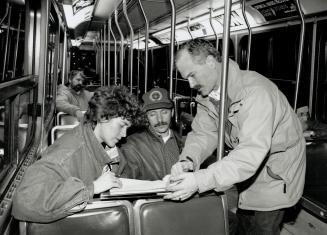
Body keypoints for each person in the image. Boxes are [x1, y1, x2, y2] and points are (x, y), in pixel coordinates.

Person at [164, 39, 306, 235]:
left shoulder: (256, 93)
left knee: (261, 228)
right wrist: (189, 160)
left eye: (192, 75)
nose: (190, 84)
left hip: (276, 173)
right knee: (244, 224)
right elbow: (204, 133)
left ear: (211, 61)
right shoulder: (210, 95)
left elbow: (250, 152)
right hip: (247, 171)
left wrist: (198, 180)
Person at [12, 86, 143, 223]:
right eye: (122, 126)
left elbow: (123, 176)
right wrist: (93, 188)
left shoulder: (107, 146)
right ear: (103, 117)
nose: (124, 134)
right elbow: (25, 200)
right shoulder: (68, 152)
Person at [117, 87, 183, 180]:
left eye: (164, 112)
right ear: (146, 117)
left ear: (172, 112)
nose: (160, 119)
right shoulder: (131, 147)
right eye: (152, 114)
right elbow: (125, 186)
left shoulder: (184, 144)